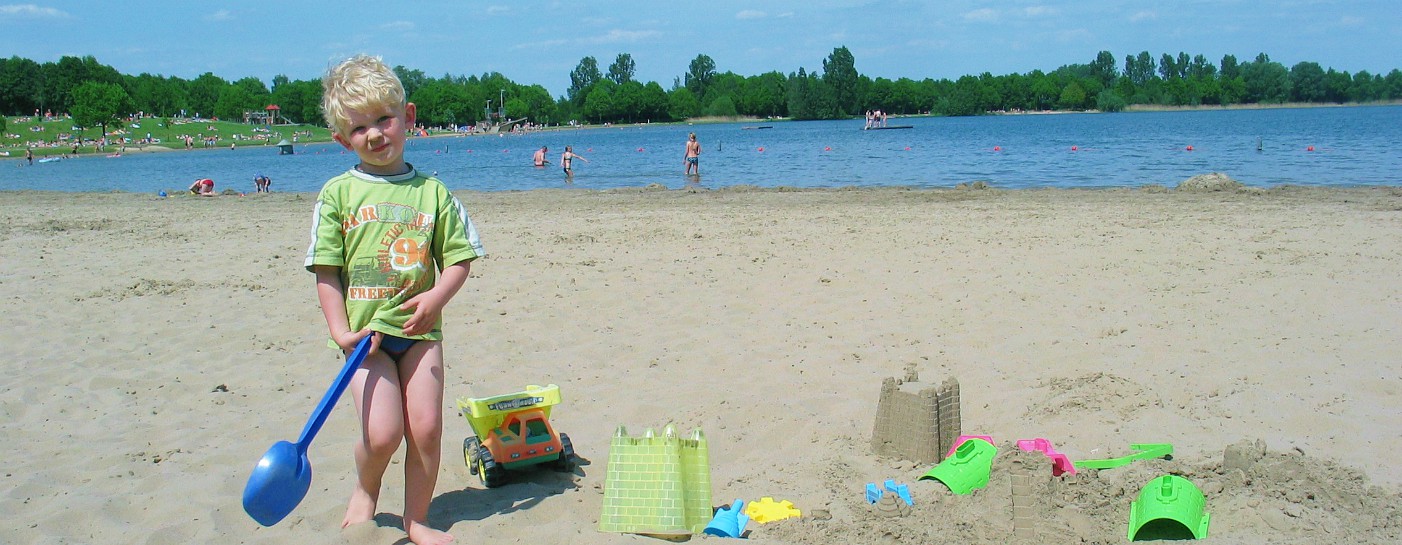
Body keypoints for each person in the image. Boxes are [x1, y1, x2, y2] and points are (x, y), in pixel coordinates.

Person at [304, 54, 482, 545]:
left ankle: (417, 518)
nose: (376, 134)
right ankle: (366, 485)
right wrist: (342, 333)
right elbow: (326, 271)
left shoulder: (434, 193)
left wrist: (436, 298)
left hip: (421, 334)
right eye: (360, 129)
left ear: (408, 117)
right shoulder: (337, 194)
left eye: (384, 119)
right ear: (343, 140)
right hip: (366, 339)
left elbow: (461, 259)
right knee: (382, 433)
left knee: (424, 429)